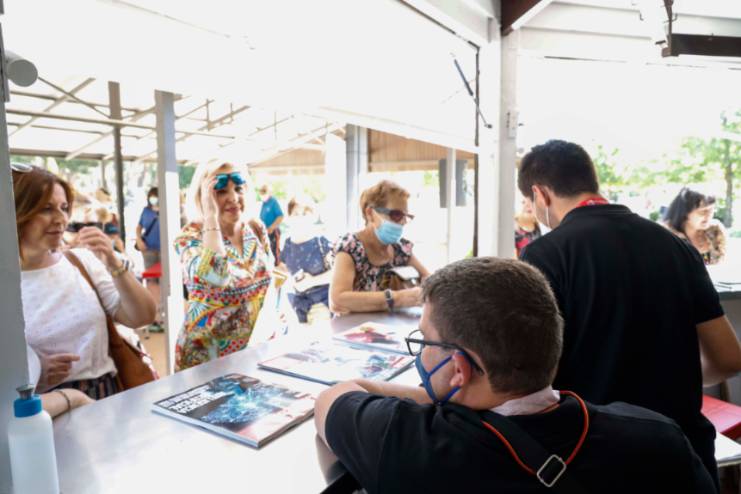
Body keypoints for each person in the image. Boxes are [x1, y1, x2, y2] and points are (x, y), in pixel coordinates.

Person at [315, 258, 716, 493]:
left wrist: (437, 396)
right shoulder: (659, 440)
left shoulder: (410, 445)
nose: (422, 350)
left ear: (459, 369)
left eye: (426, 340)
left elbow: (335, 397)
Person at [517, 139, 741, 488]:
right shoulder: (678, 247)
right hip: (681, 454)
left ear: (540, 194)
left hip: (595, 454)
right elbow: (727, 359)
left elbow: (537, 374)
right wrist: (667, 372)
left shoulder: (545, 254)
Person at [13, 164, 156, 400]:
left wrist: (114, 263)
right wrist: (32, 372)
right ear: (17, 212)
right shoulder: (8, 284)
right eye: (46, 209)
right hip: (39, 408)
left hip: (105, 398)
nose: (60, 219)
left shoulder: (80, 261)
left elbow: (142, 316)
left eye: (64, 208)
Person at [174, 162, 274, 371]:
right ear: (202, 197)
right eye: (220, 192)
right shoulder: (190, 237)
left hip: (254, 352)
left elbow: (269, 280)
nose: (233, 198)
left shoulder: (255, 228)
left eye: (238, 188)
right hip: (205, 359)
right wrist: (210, 216)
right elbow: (216, 277)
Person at [330, 180, 430, 314]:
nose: (402, 222)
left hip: (392, 324)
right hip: (355, 326)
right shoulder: (350, 247)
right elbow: (338, 298)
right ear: (370, 214)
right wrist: (398, 298)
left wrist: (422, 289)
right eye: (396, 215)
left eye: (406, 217)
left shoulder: (400, 249)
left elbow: (429, 279)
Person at [280, 197, 332, 323]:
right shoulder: (288, 244)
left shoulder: (321, 242)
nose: (300, 218)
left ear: (313, 217)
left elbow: (337, 273)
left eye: (304, 214)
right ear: (289, 217)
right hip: (299, 307)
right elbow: (284, 272)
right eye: (296, 214)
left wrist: (312, 281)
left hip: (323, 306)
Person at [664, 187, 726, 265]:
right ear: (685, 212)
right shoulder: (667, 236)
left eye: (711, 210)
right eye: (703, 211)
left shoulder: (715, 231)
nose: (708, 216)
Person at [258, 184, 284, 259]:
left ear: (269, 192)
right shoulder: (264, 203)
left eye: (264, 192)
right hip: (265, 232)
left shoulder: (273, 202)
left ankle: (277, 264)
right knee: (267, 252)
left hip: (273, 231)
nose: (262, 194)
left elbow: (280, 216)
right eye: (261, 192)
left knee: (274, 252)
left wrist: (272, 228)